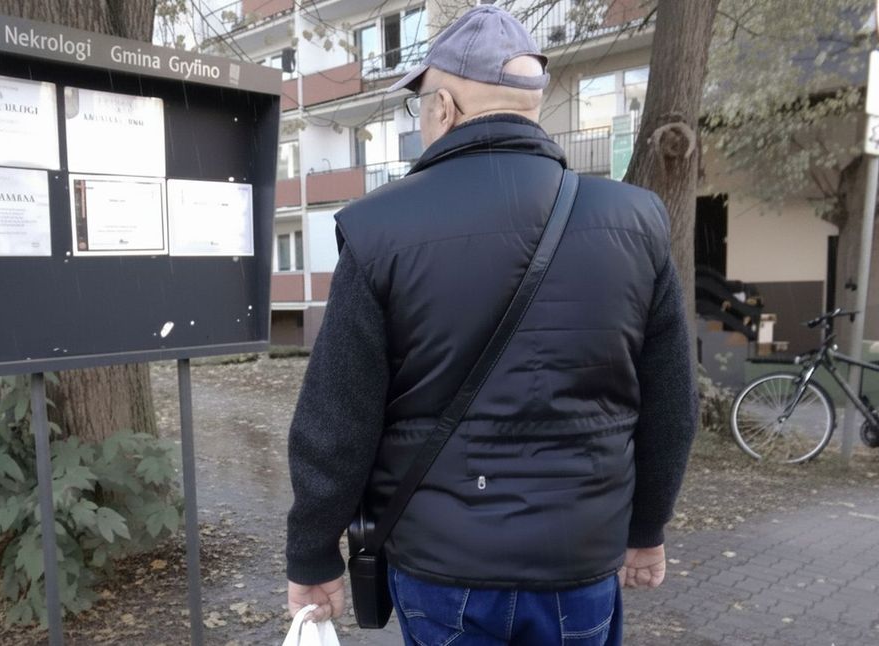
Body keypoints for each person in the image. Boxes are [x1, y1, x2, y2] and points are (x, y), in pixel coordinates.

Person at [284, 5, 698, 645]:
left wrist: (312, 554)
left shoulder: (378, 229)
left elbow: (337, 419)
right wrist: (646, 529)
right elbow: (671, 404)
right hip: (580, 563)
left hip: (443, 568)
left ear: (444, 108)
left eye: (419, 104)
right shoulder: (637, 223)